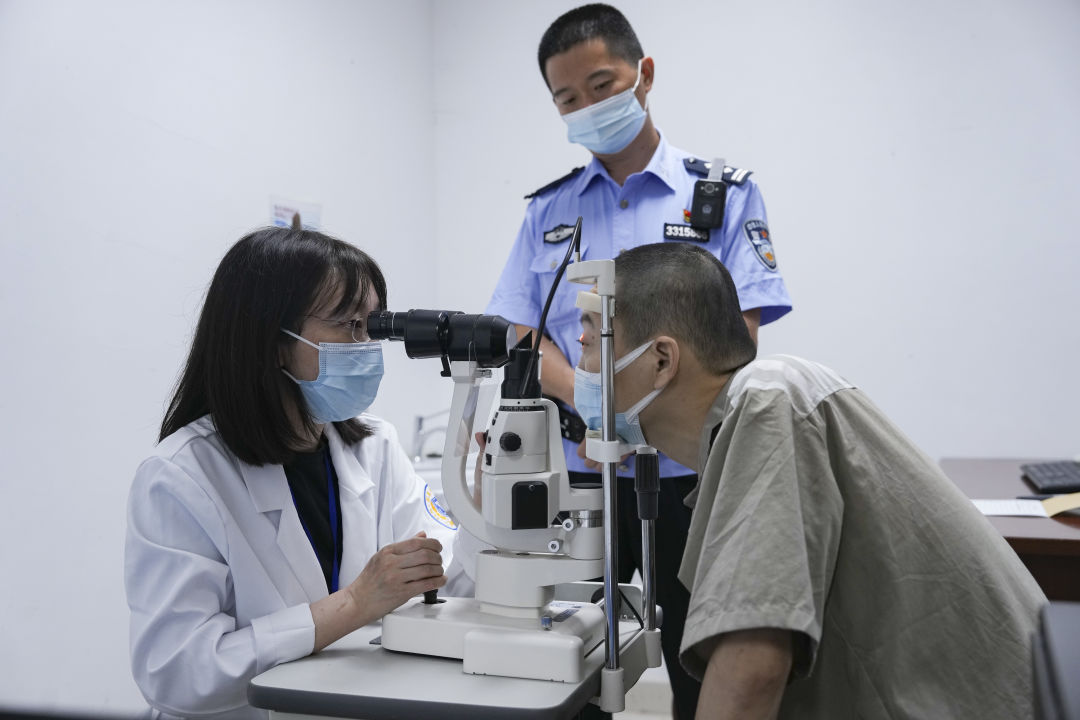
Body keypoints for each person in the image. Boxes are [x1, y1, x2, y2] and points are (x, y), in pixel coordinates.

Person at [574, 241, 1046, 720]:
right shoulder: (757, 413)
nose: (580, 363)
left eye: (591, 340)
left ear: (661, 360)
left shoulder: (768, 400)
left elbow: (753, 667)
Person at [486, 5, 792, 716]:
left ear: (643, 75)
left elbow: (738, 336)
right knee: (564, 662)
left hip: (692, 478)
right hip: (582, 477)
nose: (588, 108)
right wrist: (591, 397)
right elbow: (523, 330)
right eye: (568, 98)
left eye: (602, 86)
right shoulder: (550, 210)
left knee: (701, 657)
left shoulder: (719, 195)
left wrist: (637, 402)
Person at [124, 227, 476, 720]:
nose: (365, 346)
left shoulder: (374, 446)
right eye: (349, 325)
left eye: (371, 327)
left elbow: (448, 586)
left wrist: (484, 513)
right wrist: (353, 605)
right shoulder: (182, 476)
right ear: (273, 341)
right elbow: (178, 674)